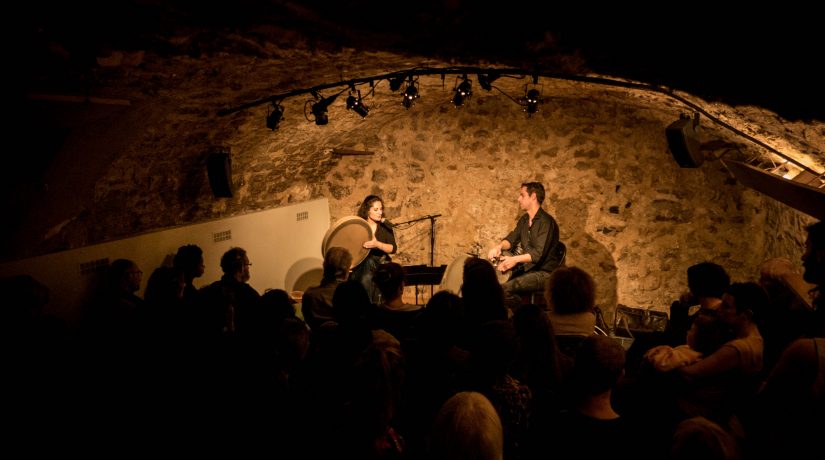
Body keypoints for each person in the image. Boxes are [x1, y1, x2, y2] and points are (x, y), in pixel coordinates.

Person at [487, 181, 562, 296]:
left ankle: (518, 308)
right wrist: (499, 247)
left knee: (504, 289)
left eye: (522, 195)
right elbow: (511, 239)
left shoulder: (546, 222)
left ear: (533, 197)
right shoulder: (524, 220)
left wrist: (514, 260)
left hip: (544, 273)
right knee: (490, 283)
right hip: (527, 269)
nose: (519, 199)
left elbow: (537, 255)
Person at [350, 195, 397, 304]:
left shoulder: (385, 226)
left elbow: (393, 248)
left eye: (381, 209)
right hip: (361, 263)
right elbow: (353, 248)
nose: (380, 212)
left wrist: (377, 244)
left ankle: (367, 305)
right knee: (364, 264)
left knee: (370, 262)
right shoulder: (360, 227)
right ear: (367, 211)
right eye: (376, 210)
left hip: (380, 262)